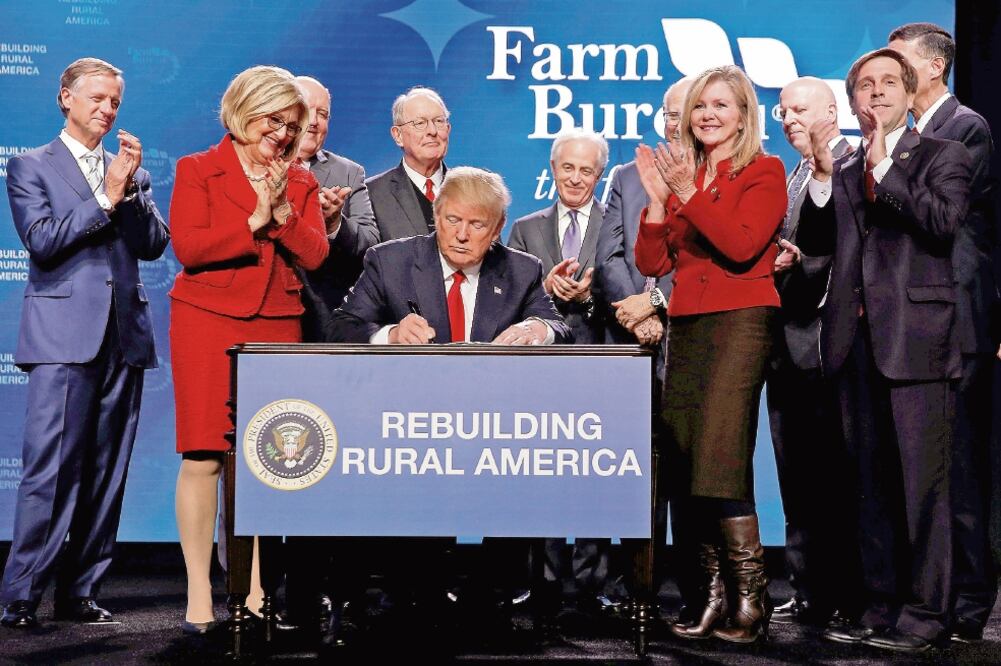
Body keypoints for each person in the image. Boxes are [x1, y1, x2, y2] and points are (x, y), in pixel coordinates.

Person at [797, 48, 971, 653]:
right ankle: (879, 603)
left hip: (917, 342)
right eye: (864, 85)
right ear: (852, 101)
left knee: (923, 487)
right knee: (868, 485)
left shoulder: (944, 154)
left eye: (887, 82)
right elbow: (819, 245)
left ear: (911, 89)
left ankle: (927, 615)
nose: (875, 93)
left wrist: (886, 170)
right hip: (854, 343)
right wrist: (823, 173)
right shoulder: (843, 171)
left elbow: (944, 222)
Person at [0, 57, 169, 629]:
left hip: (124, 337)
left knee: (107, 471)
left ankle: (81, 591)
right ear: (64, 99)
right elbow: (43, 242)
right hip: (63, 338)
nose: (107, 109)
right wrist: (104, 198)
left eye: (115, 101)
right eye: (96, 98)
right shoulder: (30, 166)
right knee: (50, 470)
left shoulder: (131, 171)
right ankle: (22, 594)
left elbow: (153, 245)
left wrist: (130, 192)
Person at [168, 65, 329, 634]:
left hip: (277, 323)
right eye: (272, 120)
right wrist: (252, 220)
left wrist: (281, 216)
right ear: (242, 111)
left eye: (291, 124)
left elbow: (315, 256)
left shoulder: (300, 180)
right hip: (205, 318)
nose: (283, 135)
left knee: (263, 462)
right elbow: (188, 247)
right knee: (205, 454)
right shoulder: (197, 169)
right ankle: (197, 590)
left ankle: (256, 588)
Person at [633, 64, 787, 644]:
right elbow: (654, 263)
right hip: (690, 323)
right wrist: (655, 204)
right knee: (687, 457)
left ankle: (752, 599)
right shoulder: (687, 175)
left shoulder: (764, 171)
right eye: (700, 106)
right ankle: (710, 595)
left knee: (720, 454)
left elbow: (742, 244)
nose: (708, 115)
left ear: (743, 115)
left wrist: (691, 195)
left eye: (721, 105)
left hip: (741, 319)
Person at [889, 23, 998, 644]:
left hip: (957, 319)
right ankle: (928, 595)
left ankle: (970, 605)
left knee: (959, 469)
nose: (888, 72)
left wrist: (886, 163)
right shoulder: (901, 133)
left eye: (898, 61)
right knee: (925, 467)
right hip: (913, 321)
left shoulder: (964, 127)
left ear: (933, 67)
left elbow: (944, 219)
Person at [594, 76, 689, 618]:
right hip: (632, 341)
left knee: (695, 471)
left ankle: (703, 592)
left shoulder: (714, 174)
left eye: (686, 112)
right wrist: (636, 312)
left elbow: (704, 258)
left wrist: (656, 301)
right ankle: (640, 592)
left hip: (697, 340)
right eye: (668, 113)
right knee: (640, 473)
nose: (675, 123)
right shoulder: (627, 175)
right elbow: (608, 255)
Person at [507, 128, 609, 619]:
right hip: (540, 372)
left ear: (600, 174)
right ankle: (543, 579)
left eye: (586, 169)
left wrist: (587, 297)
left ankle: (592, 583)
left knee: (595, 474)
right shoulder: (526, 228)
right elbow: (505, 294)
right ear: (552, 170)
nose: (575, 177)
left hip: (599, 362)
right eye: (567, 167)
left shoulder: (616, 225)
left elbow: (629, 289)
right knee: (542, 470)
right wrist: (544, 294)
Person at [766, 76, 856, 627]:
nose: (790, 119)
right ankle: (808, 588)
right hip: (785, 347)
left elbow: (834, 246)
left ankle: (846, 592)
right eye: (782, 112)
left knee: (836, 478)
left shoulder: (854, 164)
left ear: (832, 111)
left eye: (800, 109)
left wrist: (798, 263)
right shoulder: (793, 173)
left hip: (834, 347)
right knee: (796, 476)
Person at [329, 166, 570, 345]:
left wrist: (538, 329)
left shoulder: (522, 270)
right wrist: (391, 335)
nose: (461, 235)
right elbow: (340, 328)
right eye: (453, 220)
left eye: (477, 225)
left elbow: (560, 329)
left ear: (497, 228)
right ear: (436, 214)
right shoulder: (390, 262)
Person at [294, 76, 378, 341]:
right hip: (267, 309)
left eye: (324, 114)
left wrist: (335, 224)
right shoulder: (259, 164)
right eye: (308, 111)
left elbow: (370, 242)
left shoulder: (349, 172)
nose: (316, 122)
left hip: (325, 315)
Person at [366, 86, 450, 240]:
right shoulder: (371, 195)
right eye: (420, 123)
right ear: (398, 135)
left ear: (448, 129)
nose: (432, 131)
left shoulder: (473, 191)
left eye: (439, 121)